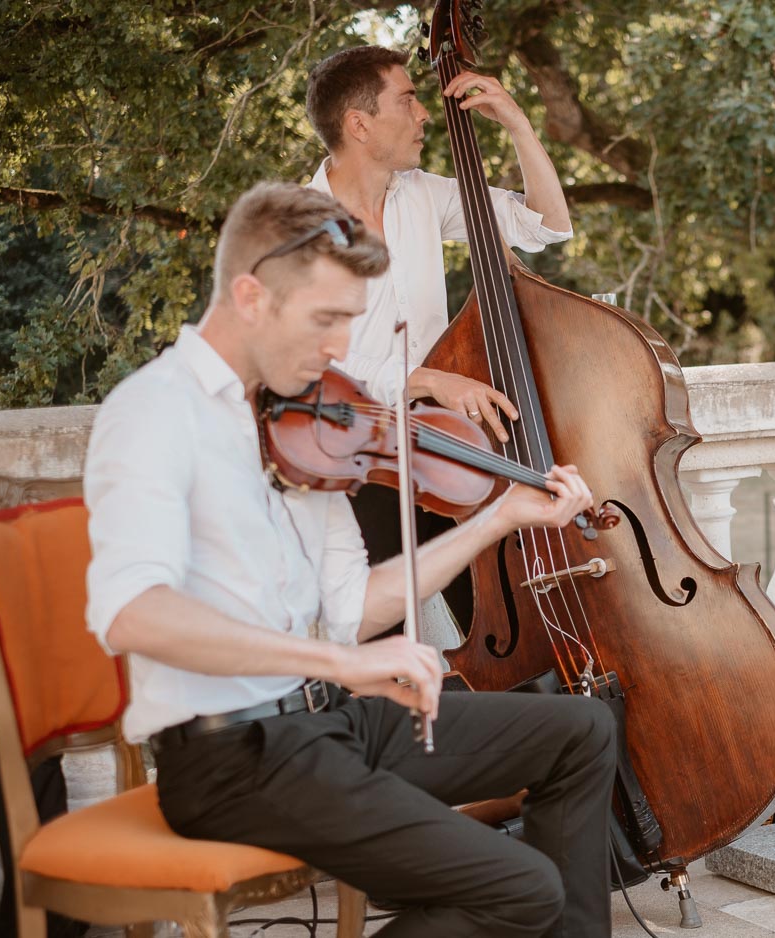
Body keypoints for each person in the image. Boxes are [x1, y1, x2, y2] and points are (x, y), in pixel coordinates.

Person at [84, 181, 614, 938]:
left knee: (582, 732)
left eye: (351, 322)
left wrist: (500, 517)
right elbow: (134, 615)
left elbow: (353, 608)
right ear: (250, 295)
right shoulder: (154, 414)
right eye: (327, 319)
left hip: (329, 723)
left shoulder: (304, 424)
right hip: (233, 755)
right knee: (521, 888)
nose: (341, 349)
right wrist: (337, 664)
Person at [303, 45, 573, 634]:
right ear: (359, 124)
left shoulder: (421, 193)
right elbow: (306, 362)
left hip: (443, 448)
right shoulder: (299, 225)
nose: (425, 113)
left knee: (502, 619)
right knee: (382, 639)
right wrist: (424, 377)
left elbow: (545, 226)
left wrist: (517, 124)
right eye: (407, 99)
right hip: (359, 458)